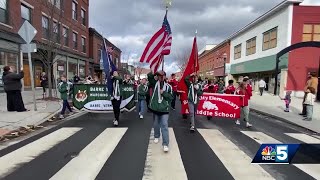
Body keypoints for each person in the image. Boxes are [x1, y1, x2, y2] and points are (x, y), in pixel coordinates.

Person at [148, 70, 173, 152]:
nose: (160, 77)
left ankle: (165, 144)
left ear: (165, 77)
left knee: (164, 125)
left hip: (164, 110)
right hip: (156, 108)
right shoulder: (154, 83)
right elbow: (149, 76)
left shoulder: (169, 87)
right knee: (156, 124)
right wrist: (154, 72)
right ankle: (156, 136)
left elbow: (171, 97)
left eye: (162, 76)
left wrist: (164, 93)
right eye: (159, 76)